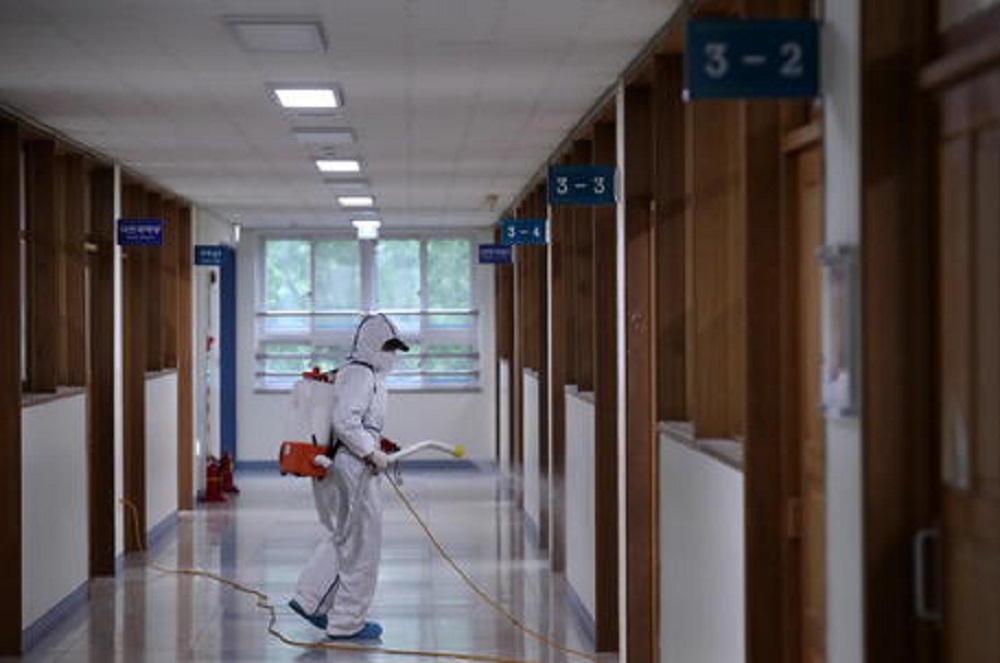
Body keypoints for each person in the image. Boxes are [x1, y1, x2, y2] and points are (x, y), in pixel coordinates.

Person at [288, 313, 409, 641]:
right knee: (362, 546)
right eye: (387, 346)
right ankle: (346, 623)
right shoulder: (361, 374)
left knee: (345, 537)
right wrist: (369, 452)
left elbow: (356, 422)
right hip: (354, 469)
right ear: (370, 344)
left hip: (347, 463)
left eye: (395, 348)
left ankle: (310, 598)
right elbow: (344, 421)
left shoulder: (356, 372)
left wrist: (377, 443)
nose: (391, 354)